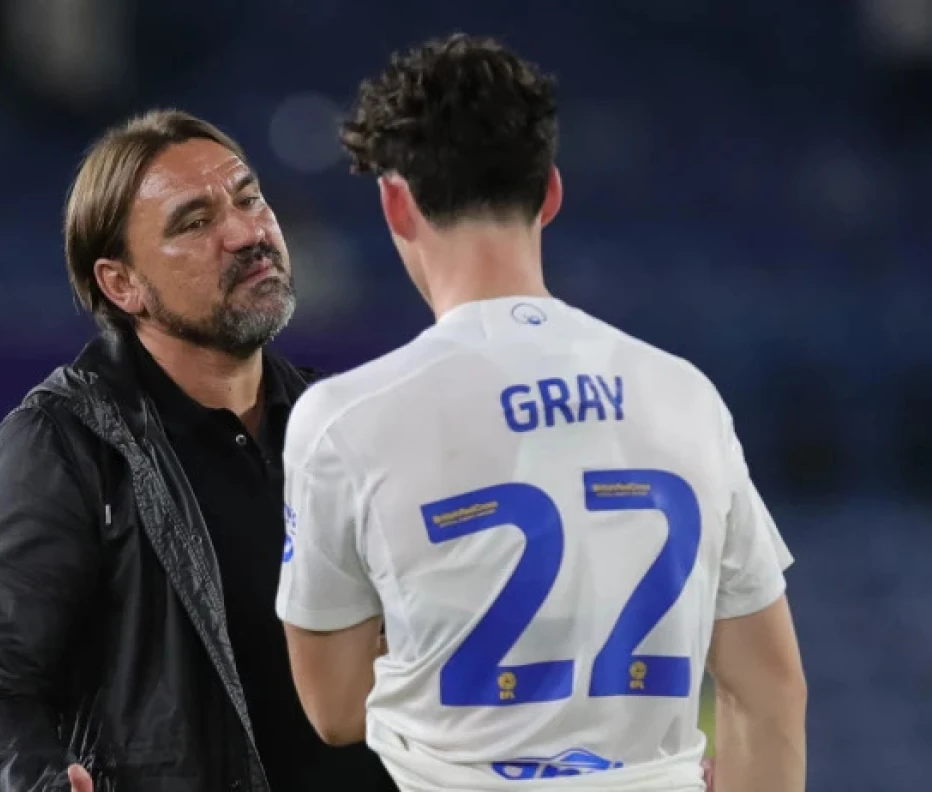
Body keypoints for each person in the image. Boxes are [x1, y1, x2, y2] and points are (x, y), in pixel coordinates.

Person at [274, 34, 807, 792]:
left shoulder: (342, 420)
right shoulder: (685, 394)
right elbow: (769, 689)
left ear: (396, 203)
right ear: (550, 193)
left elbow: (334, 708)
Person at [0, 109, 396, 792]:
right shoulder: (58, 447)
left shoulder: (344, 425)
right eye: (194, 222)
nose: (246, 233)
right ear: (121, 284)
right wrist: (39, 783)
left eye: (249, 199)